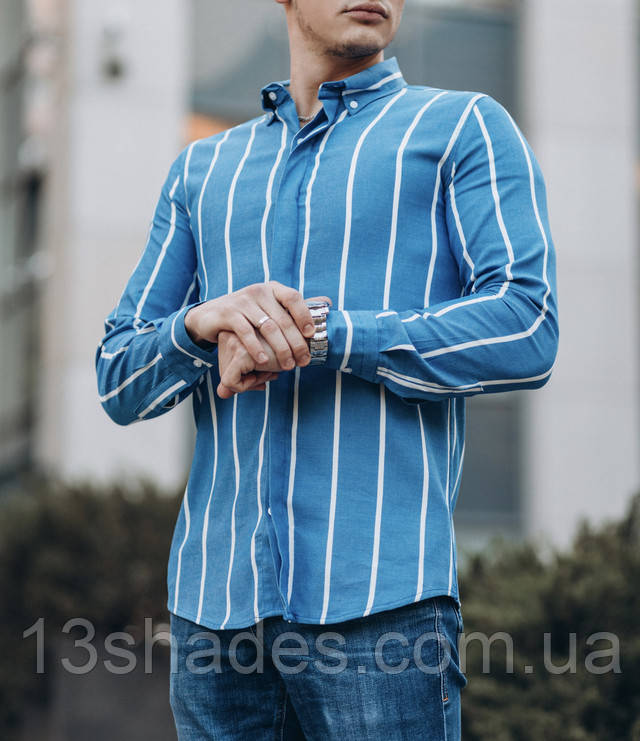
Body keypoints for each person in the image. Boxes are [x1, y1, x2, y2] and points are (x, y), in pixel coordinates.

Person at [95, 0, 558, 738]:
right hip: (213, 614)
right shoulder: (203, 168)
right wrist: (200, 326)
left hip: (382, 610)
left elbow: (527, 326)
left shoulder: (462, 128)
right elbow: (118, 377)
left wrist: (326, 334)